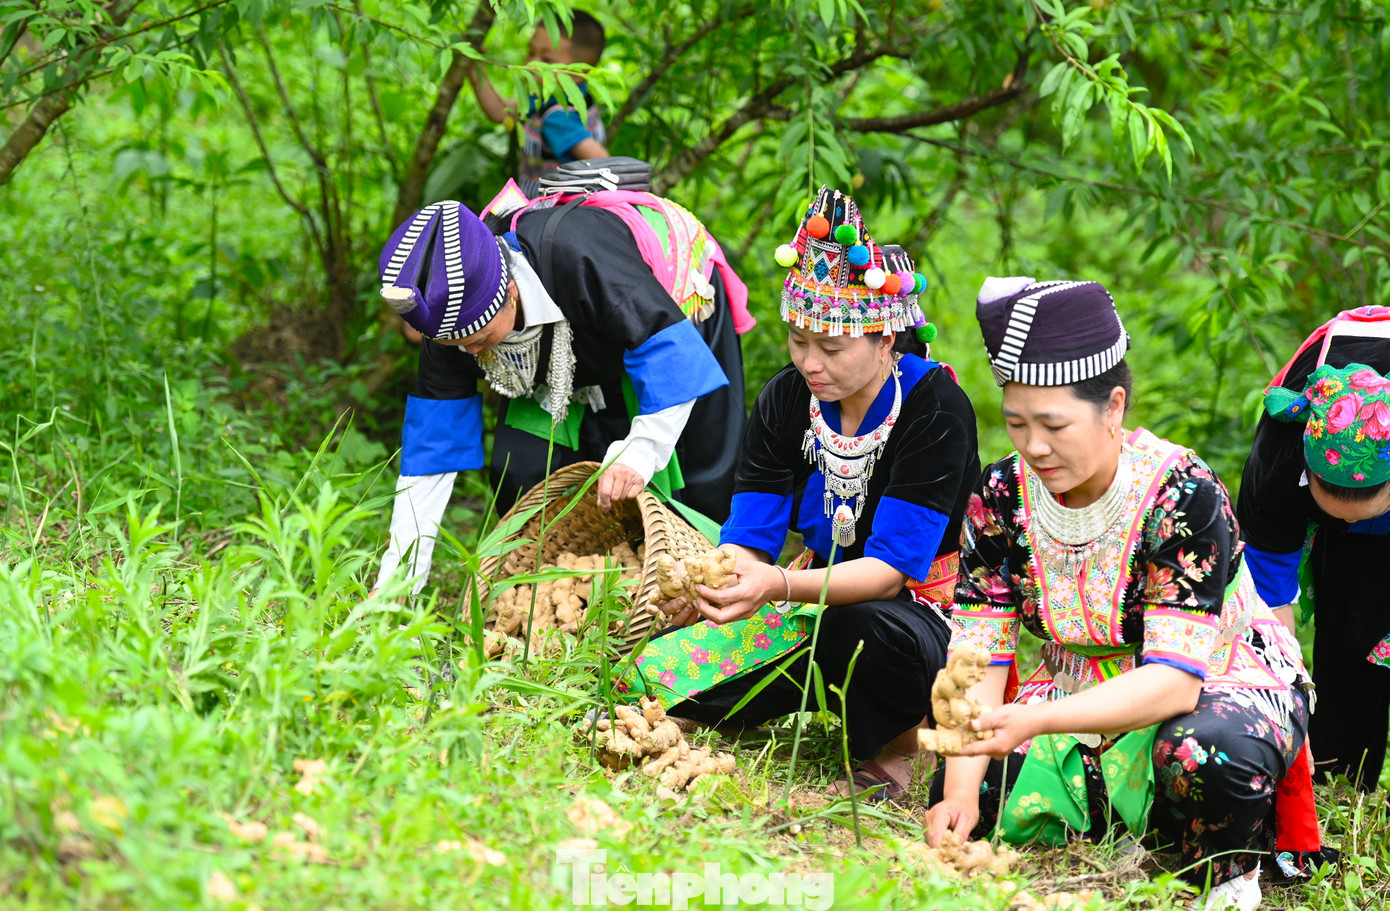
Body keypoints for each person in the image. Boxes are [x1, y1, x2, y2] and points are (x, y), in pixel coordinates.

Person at [923, 277, 1321, 910]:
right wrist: (960, 792)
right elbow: (976, 654)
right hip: (1076, 691)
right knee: (978, 787)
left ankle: (1227, 872)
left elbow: (1175, 683)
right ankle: (1146, 816)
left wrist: (1036, 720)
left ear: (1113, 407)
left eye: (1054, 424)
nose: (1033, 446)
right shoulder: (1000, 495)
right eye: (1016, 423)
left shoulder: (1180, 493)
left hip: (1215, 682)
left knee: (1203, 753)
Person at [620, 187, 981, 800]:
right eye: (798, 340)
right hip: (810, 600)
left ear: (885, 341)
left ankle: (899, 749)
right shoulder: (788, 397)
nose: (810, 363)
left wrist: (775, 587)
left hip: (919, 613)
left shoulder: (935, 408)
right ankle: (783, 693)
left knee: (862, 629)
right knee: (656, 677)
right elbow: (750, 535)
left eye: (831, 347)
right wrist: (720, 584)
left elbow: (889, 574)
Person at [371, 191, 748, 594]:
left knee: (699, 473)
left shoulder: (580, 254)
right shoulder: (445, 321)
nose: (472, 354)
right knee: (523, 473)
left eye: (480, 340)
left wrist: (640, 452)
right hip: (562, 338)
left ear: (511, 293)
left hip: (663, 302)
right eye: (457, 347)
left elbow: (670, 358)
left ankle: (709, 585)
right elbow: (432, 454)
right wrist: (396, 583)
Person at [1237, 305, 1390, 795]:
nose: (1348, 521)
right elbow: (1270, 605)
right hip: (1317, 504)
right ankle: (1340, 780)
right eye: (1337, 511)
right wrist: (1286, 702)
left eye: (1361, 513)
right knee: (1349, 633)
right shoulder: (1278, 459)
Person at [468, 11, 610, 197]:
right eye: (531, 52)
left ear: (578, 73)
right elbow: (500, 112)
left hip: (552, 209)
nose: (531, 64)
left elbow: (604, 163)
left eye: (547, 60)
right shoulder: (554, 97)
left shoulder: (558, 118)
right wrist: (474, 67)